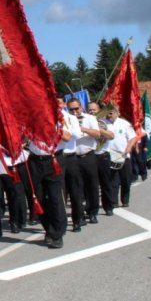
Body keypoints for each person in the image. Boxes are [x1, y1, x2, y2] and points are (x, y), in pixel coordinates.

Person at [26, 98, 75, 249]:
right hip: (35, 160)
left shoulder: (60, 116)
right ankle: (49, 228)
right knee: (37, 198)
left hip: (53, 159)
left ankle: (57, 234)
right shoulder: (29, 117)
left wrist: (48, 126)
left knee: (55, 198)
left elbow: (67, 137)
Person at [68, 98, 102, 225]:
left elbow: (97, 133)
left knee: (92, 185)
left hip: (88, 155)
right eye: (71, 109)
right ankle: (79, 214)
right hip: (73, 157)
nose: (74, 111)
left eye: (76, 108)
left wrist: (81, 128)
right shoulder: (67, 120)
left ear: (81, 107)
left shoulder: (89, 118)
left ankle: (92, 212)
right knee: (76, 187)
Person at [105, 107, 138, 208]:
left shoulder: (124, 124)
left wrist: (129, 147)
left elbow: (133, 137)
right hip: (110, 155)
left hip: (123, 155)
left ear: (117, 113)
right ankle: (114, 201)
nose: (109, 115)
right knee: (113, 180)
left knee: (126, 179)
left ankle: (125, 200)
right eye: (108, 113)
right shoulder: (103, 123)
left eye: (111, 113)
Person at [60, 98, 85, 232]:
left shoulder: (70, 118)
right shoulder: (49, 118)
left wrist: (62, 127)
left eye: (59, 103)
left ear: (63, 104)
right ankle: (61, 221)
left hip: (70, 157)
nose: (57, 105)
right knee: (60, 192)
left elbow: (76, 135)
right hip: (57, 158)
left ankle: (77, 219)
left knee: (74, 190)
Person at [87, 102, 116, 216]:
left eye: (94, 110)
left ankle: (108, 207)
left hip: (102, 155)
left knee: (106, 183)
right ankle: (92, 211)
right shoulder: (86, 122)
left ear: (99, 110)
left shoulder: (105, 122)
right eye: (90, 110)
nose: (92, 112)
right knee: (91, 185)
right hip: (90, 155)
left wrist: (98, 129)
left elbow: (111, 136)